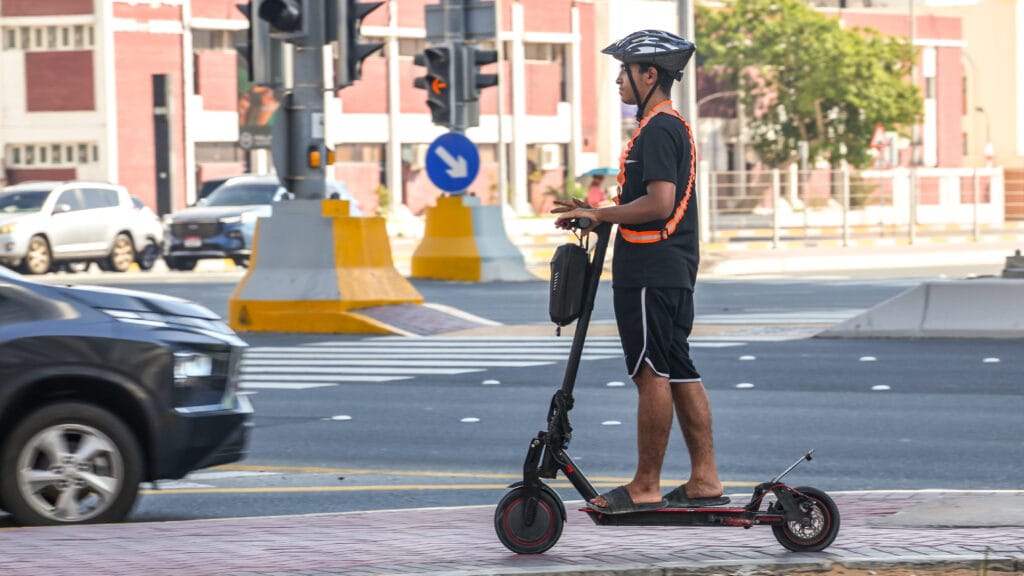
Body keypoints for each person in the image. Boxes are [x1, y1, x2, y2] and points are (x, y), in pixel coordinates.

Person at [552, 29, 728, 514]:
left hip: (651, 272)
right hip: (668, 268)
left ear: (650, 75)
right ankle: (705, 480)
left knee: (651, 372)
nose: (617, 81)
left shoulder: (657, 130)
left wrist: (603, 215)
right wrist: (599, 211)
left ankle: (646, 484)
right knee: (677, 371)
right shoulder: (670, 127)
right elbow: (648, 201)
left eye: (625, 71)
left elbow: (659, 202)